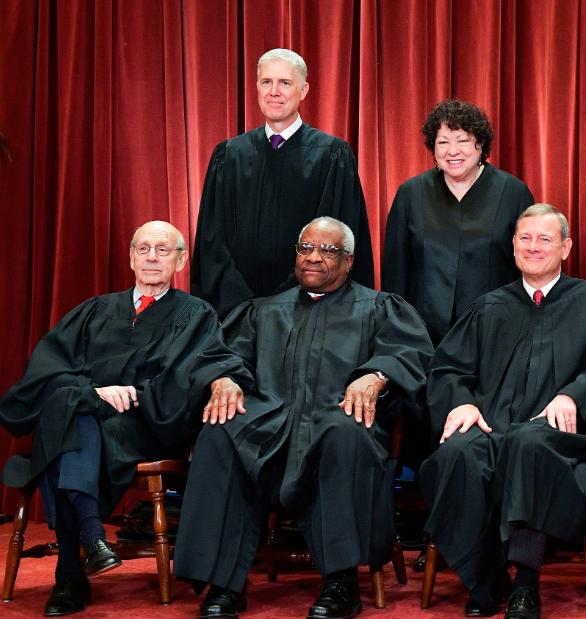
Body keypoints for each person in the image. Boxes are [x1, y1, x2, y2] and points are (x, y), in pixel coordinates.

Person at [173, 217, 433, 619]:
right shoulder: (262, 311)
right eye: (306, 248)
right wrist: (223, 378)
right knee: (220, 429)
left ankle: (341, 583)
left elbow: (411, 355)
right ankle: (224, 583)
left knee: (347, 431)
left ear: (348, 262)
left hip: (336, 418)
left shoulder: (380, 308)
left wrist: (376, 375)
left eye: (327, 250)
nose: (313, 257)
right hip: (270, 423)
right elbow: (221, 356)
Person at [0, 221, 239, 616]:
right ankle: (92, 540)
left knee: (64, 419)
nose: (151, 257)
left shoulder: (195, 315)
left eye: (163, 250)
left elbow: (184, 382)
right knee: (70, 411)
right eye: (143, 249)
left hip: (145, 423)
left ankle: (71, 572)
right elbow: (45, 371)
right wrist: (93, 394)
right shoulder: (95, 310)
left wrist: (110, 399)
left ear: (180, 260)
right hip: (85, 417)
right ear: (130, 257)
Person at [420, 204, 586, 619]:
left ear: (566, 247)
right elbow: (448, 368)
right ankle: (484, 577)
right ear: (513, 245)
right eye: (525, 238)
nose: (534, 247)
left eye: (545, 239)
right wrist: (461, 400)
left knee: (529, 444)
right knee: (457, 453)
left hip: (563, 443)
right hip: (493, 428)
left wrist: (574, 395)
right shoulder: (488, 306)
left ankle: (526, 585)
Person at [191, 48, 374, 318]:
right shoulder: (229, 155)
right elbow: (211, 240)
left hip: (310, 308)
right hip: (235, 312)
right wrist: (242, 303)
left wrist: (287, 299)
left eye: (285, 83)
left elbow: (338, 240)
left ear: (303, 90)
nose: (274, 91)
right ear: (257, 87)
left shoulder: (331, 155)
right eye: (267, 82)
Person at [382, 99, 534, 345]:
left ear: (480, 144)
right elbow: (396, 272)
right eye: (443, 142)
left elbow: (529, 265)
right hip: (423, 337)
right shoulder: (411, 194)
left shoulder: (514, 193)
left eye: (462, 140)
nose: (452, 151)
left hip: (497, 333)